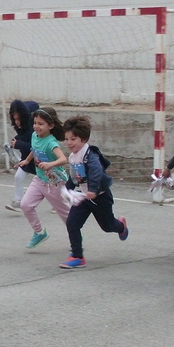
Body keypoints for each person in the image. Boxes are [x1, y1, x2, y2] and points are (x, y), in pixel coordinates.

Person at [60, 116, 129, 269]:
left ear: (83, 139)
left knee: (107, 226)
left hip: (100, 197)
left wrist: (93, 190)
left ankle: (121, 226)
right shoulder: (72, 157)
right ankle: (77, 256)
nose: (69, 142)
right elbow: (75, 177)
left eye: (73, 139)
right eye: (66, 139)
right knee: (72, 223)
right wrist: (67, 189)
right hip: (84, 197)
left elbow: (96, 172)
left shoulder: (90, 155)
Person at [16, 107, 70, 249]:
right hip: (40, 180)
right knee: (25, 205)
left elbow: (64, 159)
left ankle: (75, 237)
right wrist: (27, 161)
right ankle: (39, 232)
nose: (36, 126)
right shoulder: (34, 135)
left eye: (41, 124)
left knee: (65, 214)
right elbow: (34, 149)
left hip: (55, 182)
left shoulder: (51, 143)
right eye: (35, 123)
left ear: (50, 126)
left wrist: (50, 164)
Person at [5, 99, 39, 212]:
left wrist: (18, 143)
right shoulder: (21, 127)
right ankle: (19, 201)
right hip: (27, 159)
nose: (17, 122)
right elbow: (23, 137)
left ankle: (63, 200)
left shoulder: (32, 128)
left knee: (50, 182)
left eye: (19, 119)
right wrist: (16, 140)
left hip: (38, 159)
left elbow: (33, 146)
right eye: (15, 119)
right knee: (18, 177)